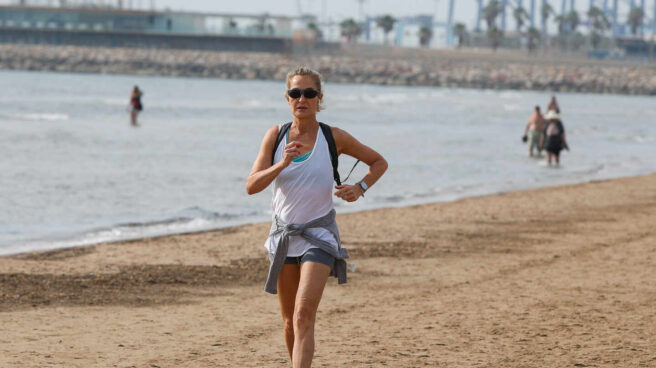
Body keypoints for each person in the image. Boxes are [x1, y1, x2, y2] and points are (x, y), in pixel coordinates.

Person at [246, 67, 388, 368]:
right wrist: (281, 163)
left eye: (309, 93)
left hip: (319, 236)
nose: (302, 99)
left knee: (302, 315)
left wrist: (359, 187)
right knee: (288, 323)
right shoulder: (276, 136)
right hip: (283, 237)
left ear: (319, 99)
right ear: (287, 98)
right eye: (296, 93)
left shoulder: (333, 137)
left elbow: (378, 162)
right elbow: (251, 185)